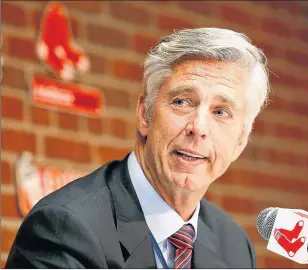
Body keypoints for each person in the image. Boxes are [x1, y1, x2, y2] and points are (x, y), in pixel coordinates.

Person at [5, 27, 269, 269]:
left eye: (221, 112)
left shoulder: (234, 246)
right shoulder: (64, 229)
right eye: (181, 101)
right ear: (145, 114)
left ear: (239, 143)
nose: (198, 127)